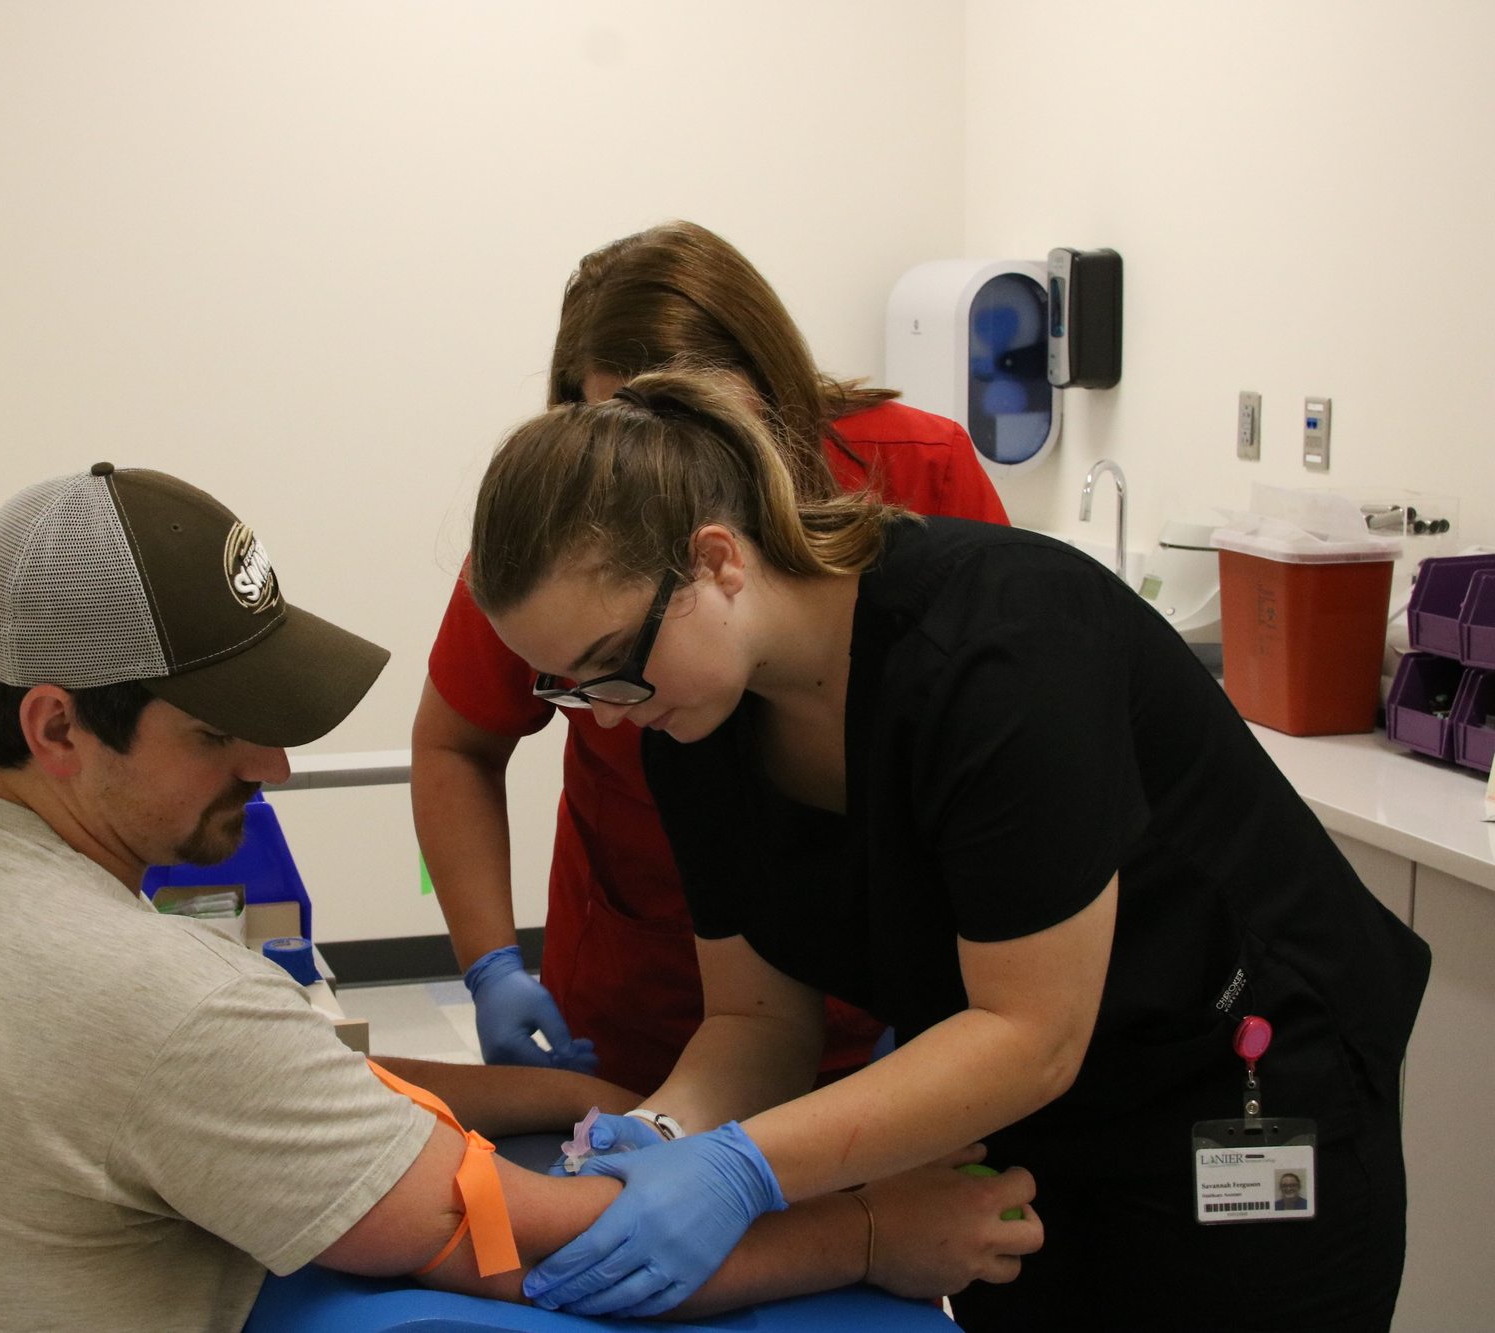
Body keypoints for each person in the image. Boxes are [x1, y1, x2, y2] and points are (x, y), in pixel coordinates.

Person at [0, 462, 1039, 1332]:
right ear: (58, 726)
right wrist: (874, 1235)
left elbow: (293, 1086)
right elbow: (506, 1234)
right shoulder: (146, 1000)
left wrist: (574, 1091)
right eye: (220, 733)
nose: (270, 769)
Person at [464, 369, 1431, 1331]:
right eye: (568, 687)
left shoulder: (1003, 648)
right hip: (1023, 1127)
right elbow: (757, 1023)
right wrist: (664, 1133)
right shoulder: (695, 719)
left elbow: (1029, 1031)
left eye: (610, 667)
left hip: (1242, 1094)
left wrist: (744, 1168)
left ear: (716, 560)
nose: (604, 714)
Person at [416, 219, 1010, 1094]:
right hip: (649, 994)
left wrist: (958, 1009)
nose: (668, 467)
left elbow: (996, 763)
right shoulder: (559, 543)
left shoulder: (917, 475)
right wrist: (493, 967)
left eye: (695, 423)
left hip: (894, 993)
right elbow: (455, 742)